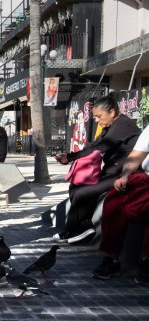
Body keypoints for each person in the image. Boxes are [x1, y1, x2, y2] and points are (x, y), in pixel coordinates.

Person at [53, 92, 141, 244]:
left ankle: (70, 231)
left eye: (99, 116)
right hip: (111, 172)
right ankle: (85, 226)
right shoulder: (111, 125)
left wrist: (70, 157)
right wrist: (69, 155)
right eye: (95, 117)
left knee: (82, 192)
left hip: (125, 173)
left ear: (112, 112)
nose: (97, 120)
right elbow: (94, 145)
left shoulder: (124, 125)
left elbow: (100, 148)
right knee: (75, 186)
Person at [92, 124, 149, 282]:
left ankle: (147, 261)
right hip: (145, 177)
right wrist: (125, 175)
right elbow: (137, 155)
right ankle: (111, 259)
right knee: (113, 201)